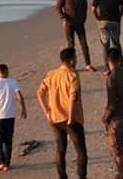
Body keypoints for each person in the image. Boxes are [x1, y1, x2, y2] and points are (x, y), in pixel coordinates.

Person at [36, 48, 87, 179]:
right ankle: (82, 176)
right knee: (81, 151)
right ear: (71, 60)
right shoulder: (73, 76)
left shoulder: (51, 74)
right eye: (75, 58)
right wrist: (70, 117)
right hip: (71, 118)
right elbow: (73, 98)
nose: (76, 60)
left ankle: (62, 176)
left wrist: (47, 111)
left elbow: (40, 93)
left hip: (54, 118)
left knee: (60, 149)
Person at [0, 64, 27, 172]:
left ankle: (1, 162)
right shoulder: (13, 82)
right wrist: (23, 109)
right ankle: (7, 163)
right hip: (10, 116)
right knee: (8, 140)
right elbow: (19, 96)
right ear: (7, 72)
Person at [55, 0, 95, 72]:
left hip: (80, 22)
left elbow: (85, 7)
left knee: (84, 43)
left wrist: (83, 19)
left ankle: (88, 64)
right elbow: (58, 7)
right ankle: (71, 66)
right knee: (71, 45)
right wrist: (63, 18)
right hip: (68, 23)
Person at [102, 47, 123, 179]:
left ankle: (122, 174)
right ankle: (122, 172)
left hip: (116, 117)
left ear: (108, 60)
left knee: (116, 148)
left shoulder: (111, 78)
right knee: (119, 145)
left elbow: (111, 103)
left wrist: (105, 117)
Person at [92, 0, 123, 67]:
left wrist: (97, 19)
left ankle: (107, 67)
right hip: (115, 21)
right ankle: (119, 64)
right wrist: (119, 16)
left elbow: (93, 9)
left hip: (103, 21)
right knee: (116, 43)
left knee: (105, 45)